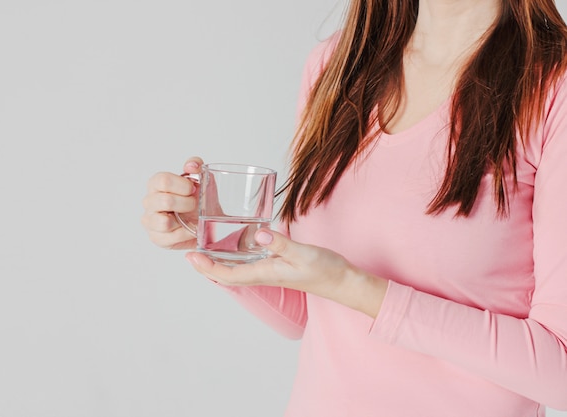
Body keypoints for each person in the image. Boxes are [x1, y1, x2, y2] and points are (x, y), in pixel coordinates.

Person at [141, 0, 567, 415]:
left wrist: (355, 287)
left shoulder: (555, 87)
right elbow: (305, 312)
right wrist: (216, 239)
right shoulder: (337, 64)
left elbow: (560, 370)